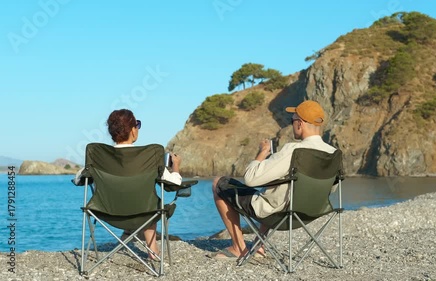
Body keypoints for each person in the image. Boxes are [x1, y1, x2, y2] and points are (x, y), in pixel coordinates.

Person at [210, 100, 336, 259]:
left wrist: (262, 153)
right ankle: (259, 246)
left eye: (292, 121)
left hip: (280, 215)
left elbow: (250, 179)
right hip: (310, 214)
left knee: (218, 183)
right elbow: (331, 188)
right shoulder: (333, 153)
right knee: (275, 189)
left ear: (299, 124)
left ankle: (238, 247)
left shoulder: (294, 151)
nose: (292, 126)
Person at [74, 109, 182, 259]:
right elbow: (174, 184)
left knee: (143, 204)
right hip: (145, 213)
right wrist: (175, 165)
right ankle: (153, 250)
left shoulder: (98, 156)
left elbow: (79, 179)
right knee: (150, 206)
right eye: (137, 124)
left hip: (106, 212)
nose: (137, 128)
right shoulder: (150, 155)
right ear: (132, 130)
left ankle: (129, 234)